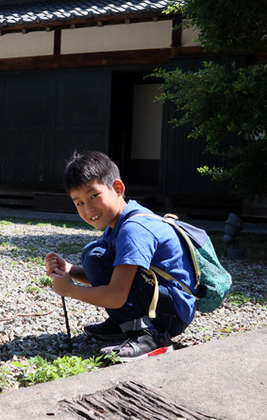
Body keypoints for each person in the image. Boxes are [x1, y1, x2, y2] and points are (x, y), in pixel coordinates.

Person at [44, 151, 198, 361]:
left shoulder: (133, 229)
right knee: (93, 254)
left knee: (96, 257)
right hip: (163, 302)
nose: (88, 208)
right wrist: (70, 270)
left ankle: (151, 335)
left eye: (93, 196)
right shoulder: (119, 221)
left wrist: (70, 290)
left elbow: (116, 294)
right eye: (79, 203)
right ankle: (124, 323)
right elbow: (115, 275)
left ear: (118, 188)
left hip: (171, 313)